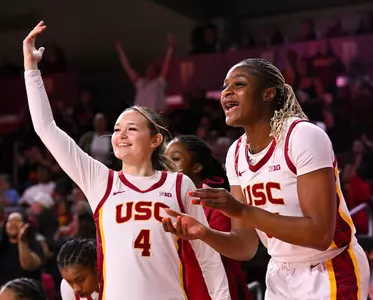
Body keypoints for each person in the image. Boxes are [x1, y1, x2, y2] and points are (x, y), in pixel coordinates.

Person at [22, 22, 230, 300]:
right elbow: (46, 128)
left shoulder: (179, 183)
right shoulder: (100, 181)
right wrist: (31, 69)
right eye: (117, 129)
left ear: (155, 140)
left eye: (132, 128)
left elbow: (208, 257)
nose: (121, 134)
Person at [162, 57, 370, 299]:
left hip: (330, 267)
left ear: (267, 94)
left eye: (238, 84)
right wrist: (203, 233)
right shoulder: (236, 154)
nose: (227, 92)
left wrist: (241, 210)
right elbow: (245, 246)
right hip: (280, 272)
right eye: (224, 86)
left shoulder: (303, 136)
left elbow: (320, 235)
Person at [166, 136, 253, 300]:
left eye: (175, 159)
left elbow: (223, 255)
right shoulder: (162, 202)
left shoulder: (216, 202)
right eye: (164, 159)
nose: (166, 165)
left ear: (197, 167)